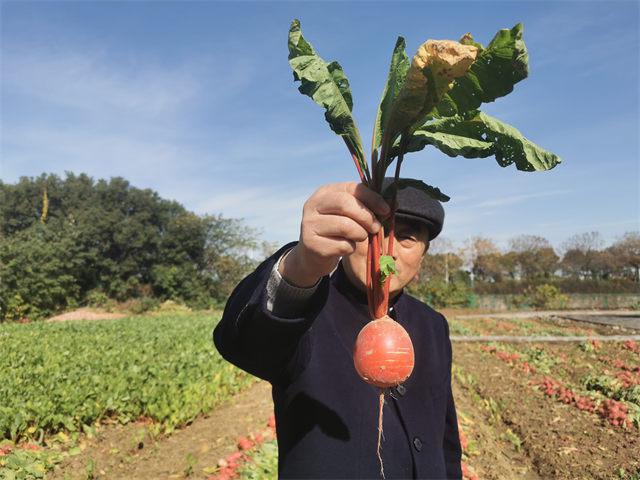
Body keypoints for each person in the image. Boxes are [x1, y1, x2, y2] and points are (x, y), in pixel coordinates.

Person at [213, 180, 462, 479]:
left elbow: (446, 434)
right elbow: (245, 345)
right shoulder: (306, 310)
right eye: (372, 232)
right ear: (346, 236)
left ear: (422, 257)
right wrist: (302, 266)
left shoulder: (433, 324)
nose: (387, 251)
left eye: (406, 238)